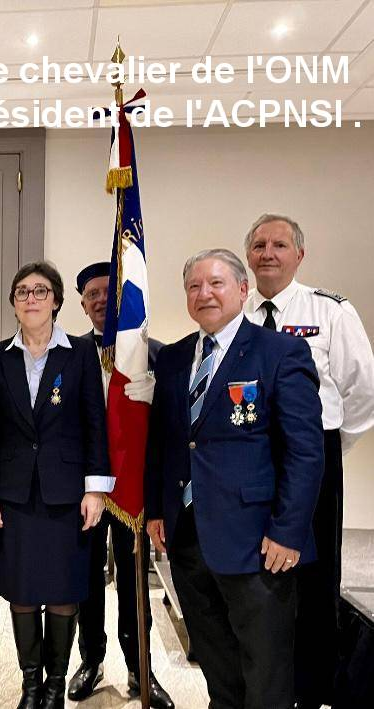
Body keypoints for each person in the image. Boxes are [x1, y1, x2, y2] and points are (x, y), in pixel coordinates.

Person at [145, 248, 324, 709]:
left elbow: (305, 452)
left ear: (243, 291)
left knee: (265, 670)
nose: (204, 293)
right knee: (217, 661)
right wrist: (158, 510)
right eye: (193, 286)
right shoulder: (173, 358)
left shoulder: (281, 351)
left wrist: (288, 532)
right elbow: (164, 443)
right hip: (188, 538)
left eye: (216, 283)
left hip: (259, 542)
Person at [242, 214, 374, 708]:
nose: (268, 253)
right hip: (253, 461)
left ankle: (314, 687)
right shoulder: (237, 312)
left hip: (314, 458)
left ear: (300, 254)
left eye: (279, 244)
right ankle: (266, 682)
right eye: (258, 245)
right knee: (258, 575)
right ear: (248, 257)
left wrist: (326, 451)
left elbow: (362, 389)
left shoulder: (331, 311)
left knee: (316, 580)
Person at [0, 261, 109, 709]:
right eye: (23, 291)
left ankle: (55, 684)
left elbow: (95, 423)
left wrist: (95, 489)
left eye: (41, 291)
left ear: (56, 300)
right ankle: (31, 683)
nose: (32, 298)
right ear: (13, 303)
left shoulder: (80, 353)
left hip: (67, 494)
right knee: (23, 590)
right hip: (13, 495)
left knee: (65, 590)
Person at [67, 262, 173, 709]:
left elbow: (170, 429)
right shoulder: (68, 354)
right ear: (82, 303)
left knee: (133, 583)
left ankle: (139, 666)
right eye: (91, 294)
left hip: (133, 487)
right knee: (85, 580)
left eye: (108, 293)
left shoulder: (157, 354)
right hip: (83, 488)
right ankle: (91, 659)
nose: (99, 301)